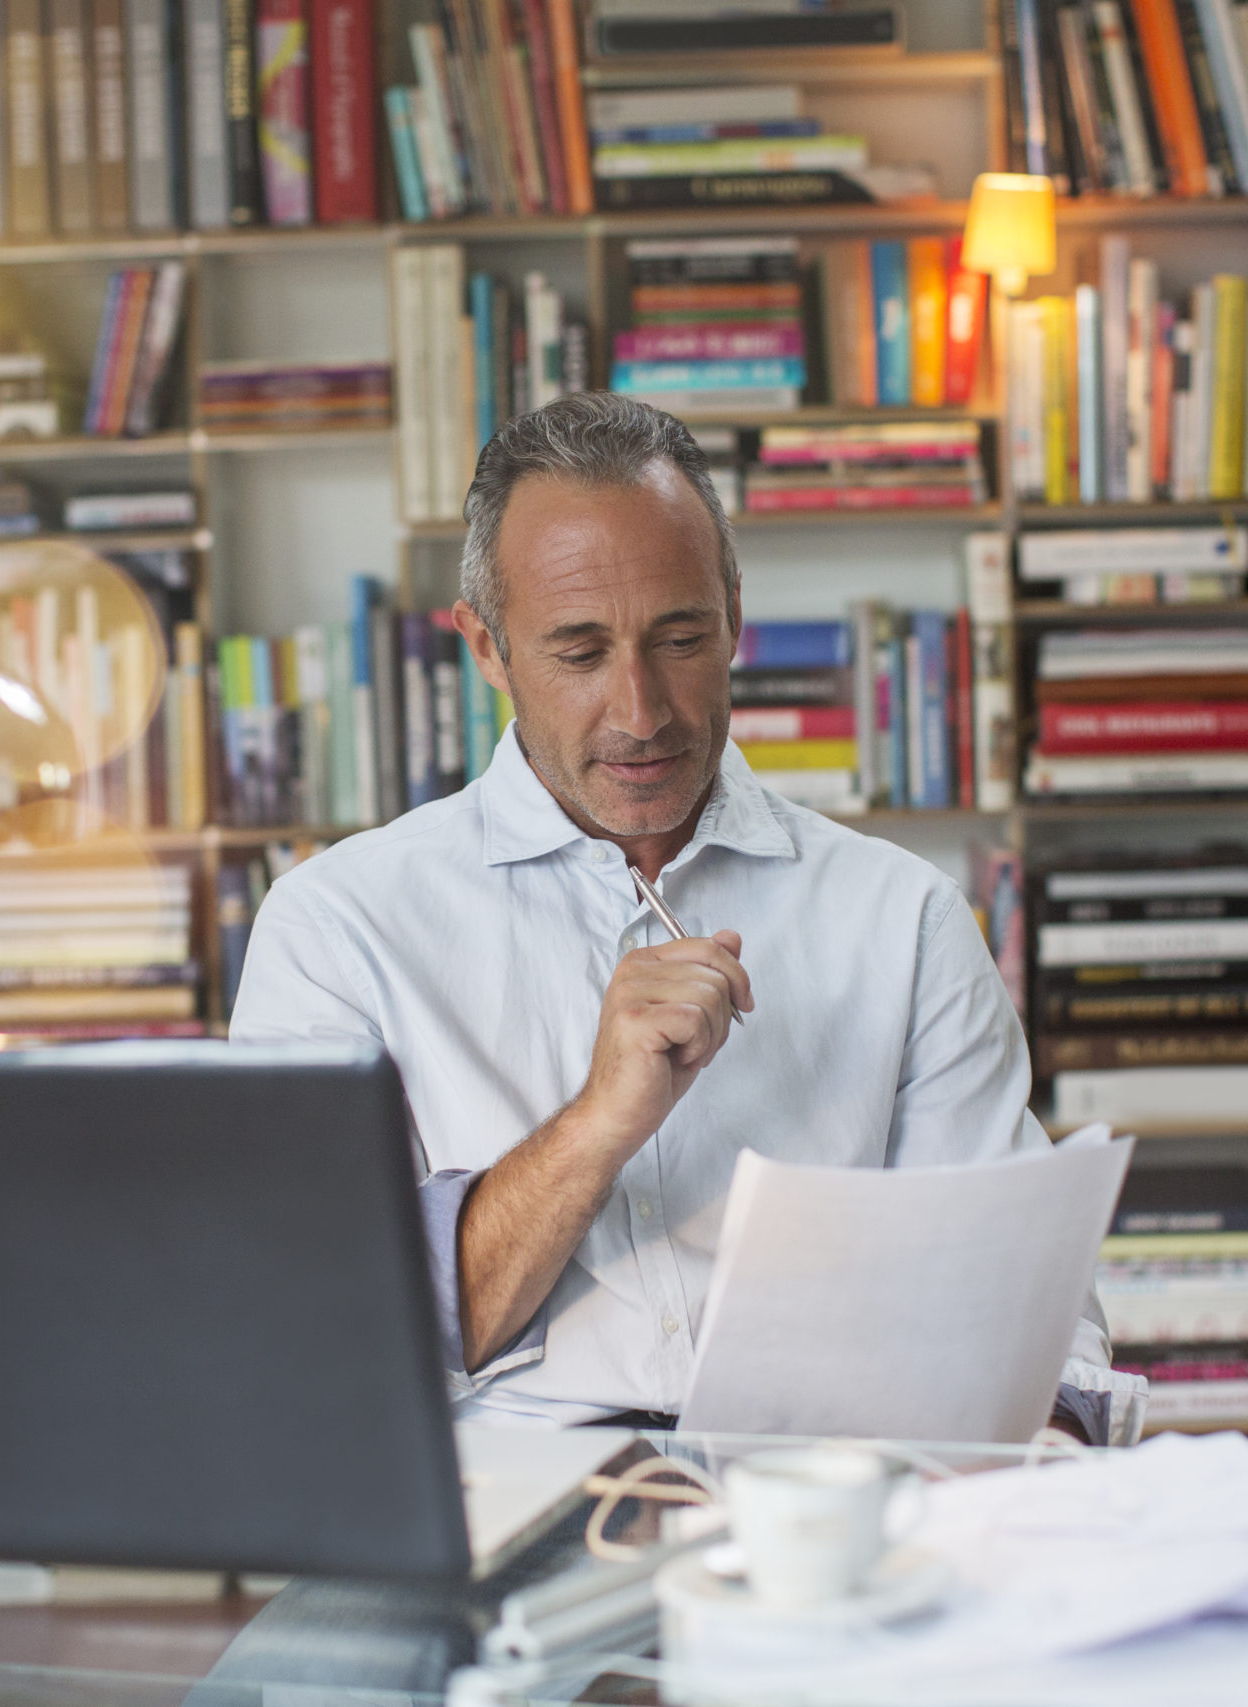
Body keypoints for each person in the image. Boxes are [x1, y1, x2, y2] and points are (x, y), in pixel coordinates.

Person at [231, 391, 1123, 1442]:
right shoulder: (334, 930)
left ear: (735, 615)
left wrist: (1036, 1460)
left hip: (830, 1512)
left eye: (681, 636)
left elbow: (1030, 1321)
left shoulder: (906, 921)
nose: (641, 712)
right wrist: (598, 1124)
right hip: (497, 1521)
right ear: (486, 648)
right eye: (577, 652)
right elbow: (323, 1342)